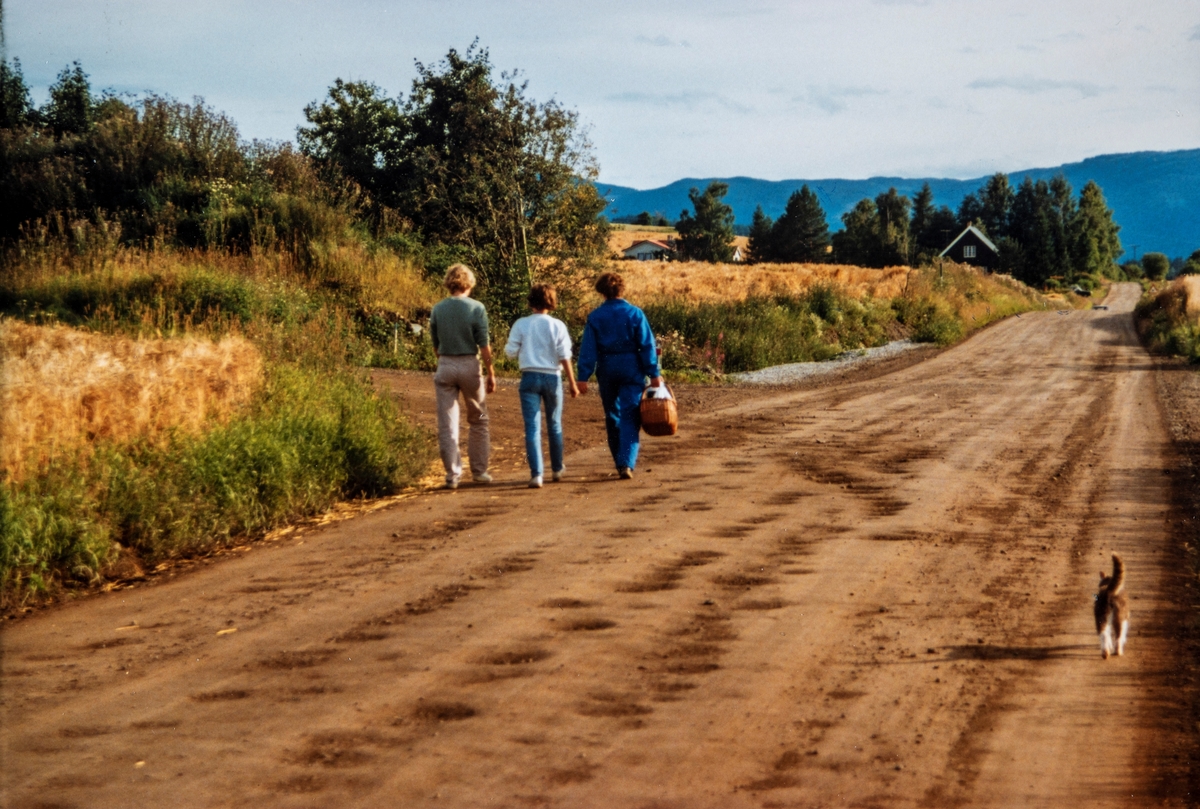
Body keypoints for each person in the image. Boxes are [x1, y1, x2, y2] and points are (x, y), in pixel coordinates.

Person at [576, 272, 663, 479]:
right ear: (622, 289)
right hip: (632, 368)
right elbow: (646, 345)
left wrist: (583, 376)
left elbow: (588, 349)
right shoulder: (635, 314)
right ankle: (626, 462)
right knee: (630, 415)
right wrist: (653, 373)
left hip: (607, 368)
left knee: (612, 415)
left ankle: (619, 461)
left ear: (602, 292)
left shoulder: (595, 317)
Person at [504, 284, 580, 488]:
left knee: (532, 427)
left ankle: (536, 474)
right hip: (552, 378)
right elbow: (565, 356)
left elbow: (510, 352)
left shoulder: (521, 324)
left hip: (529, 376)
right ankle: (556, 469)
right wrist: (572, 382)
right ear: (551, 302)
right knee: (554, 425)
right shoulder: (558, 325)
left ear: (531, 301)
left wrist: (523, 350)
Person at [429, 264, 495, 489]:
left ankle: (452, 474)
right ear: (469, 283)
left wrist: (445, 360)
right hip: (469, 364)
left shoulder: (438, 308)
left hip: (445, 364)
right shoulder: (477, 308)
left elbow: (435, 345)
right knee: (478, 418)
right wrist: (491, 372)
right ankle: (479, 471)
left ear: (449, 283)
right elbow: (484, 345)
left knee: (447, 424)